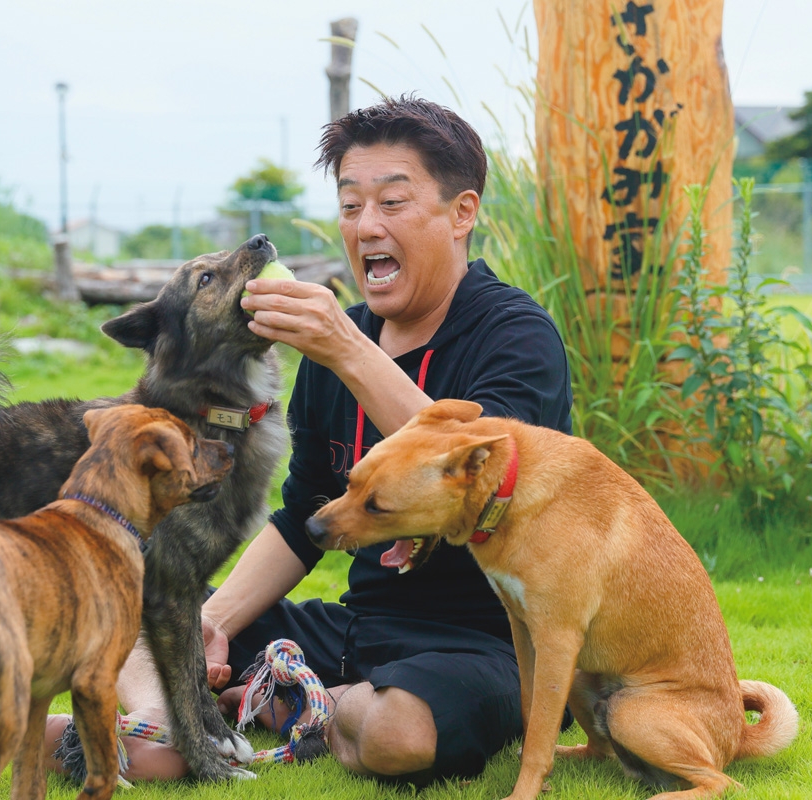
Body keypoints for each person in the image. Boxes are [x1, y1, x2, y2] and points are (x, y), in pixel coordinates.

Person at [46, 95, 572, 783]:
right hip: (355, 632)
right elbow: (302, 517)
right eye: (351, 206)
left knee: (398, 734)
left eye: (391, 202)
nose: (366, 226)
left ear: (461, 213)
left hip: (483, 644)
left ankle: (300, 706)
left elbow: (487, 473)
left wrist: (347, 350)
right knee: (162, 627)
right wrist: (217, 622)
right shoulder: (336, 344)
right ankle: (124, 735)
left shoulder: (515, 336)